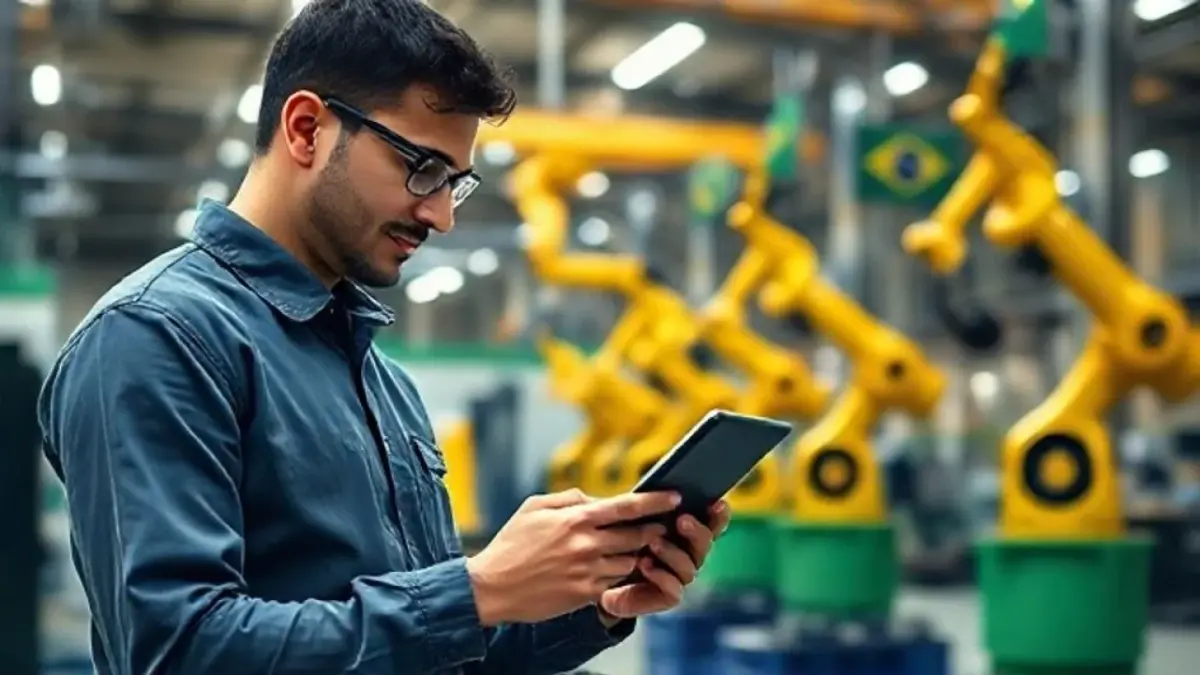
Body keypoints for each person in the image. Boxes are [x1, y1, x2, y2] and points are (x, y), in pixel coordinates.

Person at [36, 1, 730, 674]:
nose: (440, 215)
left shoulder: (377, 375)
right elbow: (177, 650)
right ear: (307, 129)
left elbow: (433, 649)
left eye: (454, 184)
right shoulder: (155, 339)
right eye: (422, 167)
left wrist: (593, 605)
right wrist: (478, 589)